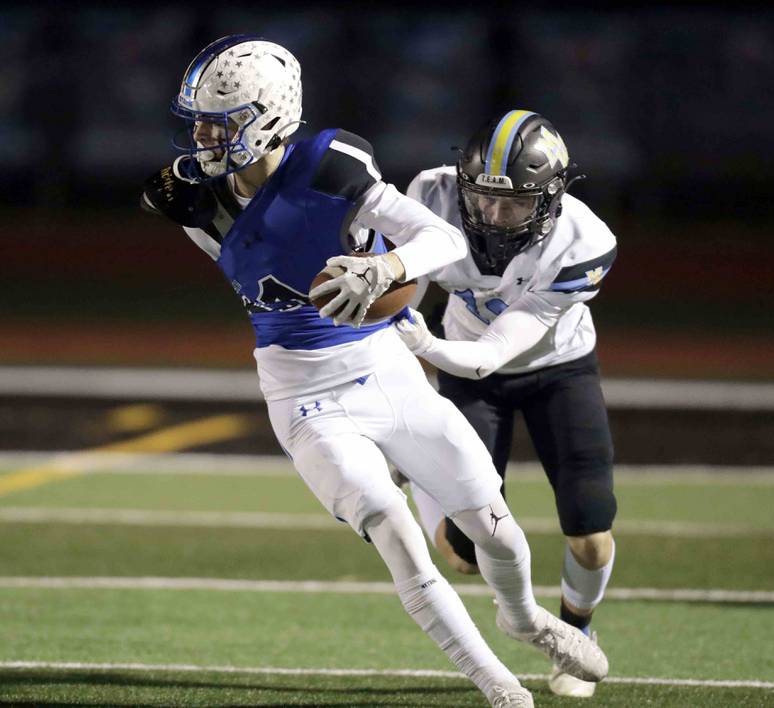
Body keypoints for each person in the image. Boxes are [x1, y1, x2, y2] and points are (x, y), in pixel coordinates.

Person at [142, 40, 607, 707]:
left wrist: (383, 269)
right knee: (397, 530)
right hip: (301, 393)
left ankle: (526, 618)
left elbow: (442, 241)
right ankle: (499, 687)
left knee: (496, 529)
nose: (203, 138)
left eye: (221, 122)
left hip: (384, 364)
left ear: (271, 115)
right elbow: (251, 245)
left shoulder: (330, 164)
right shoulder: (188, 196)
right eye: (201, 123)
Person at [395, 110, 618, 699]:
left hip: (553, 370)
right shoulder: (432, 193)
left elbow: (494, 350)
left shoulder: (585, 242)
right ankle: (421, 474)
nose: (494, 217)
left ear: (551, 198)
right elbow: (403, 294)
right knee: (464, 553)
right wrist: (401, 383)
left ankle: (576, 636)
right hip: (466, 374)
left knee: (590, 525)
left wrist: (420, 342)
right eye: (484, 200)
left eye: (515, 204)